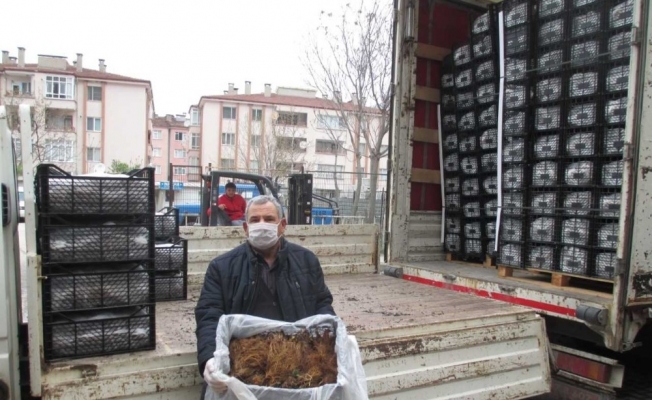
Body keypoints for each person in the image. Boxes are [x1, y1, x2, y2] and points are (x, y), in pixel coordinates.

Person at [195, 195, 336, 397]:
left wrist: (333, 344)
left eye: (269, 219)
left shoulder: (306, 261)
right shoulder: (222, 267)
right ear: (245, 228)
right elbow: (209, 316)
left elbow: (322, 306)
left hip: (296, 366)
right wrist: (209, 358)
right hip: (245, 368)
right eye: (255, 220)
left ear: (282, 225)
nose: (261, 225)